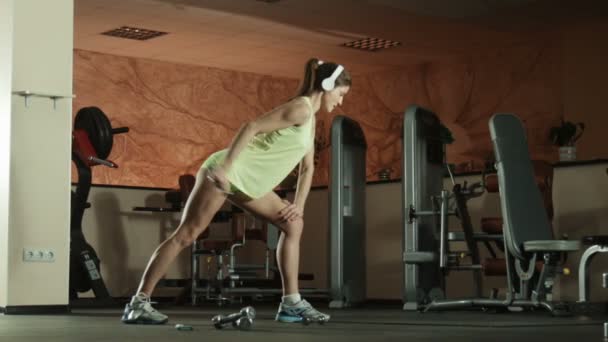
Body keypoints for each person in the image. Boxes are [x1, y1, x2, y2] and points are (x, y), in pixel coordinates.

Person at [121, 58, 351, 325]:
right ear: (327, 86)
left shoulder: (310, 118)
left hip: (250, 182)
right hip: (226, 172)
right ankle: (138, 303)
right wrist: (225, 168)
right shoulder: (299, 109)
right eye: (341, 94)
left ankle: (291, 303)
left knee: (293, 224)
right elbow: (250, 127)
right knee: (187, 234)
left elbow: (308, 168)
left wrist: (297, 205)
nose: (341, 101)